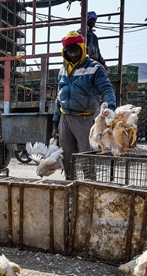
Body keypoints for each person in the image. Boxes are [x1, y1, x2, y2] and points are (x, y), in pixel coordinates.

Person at [52, 30, 116, 180]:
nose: (73, 52)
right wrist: (56, 122)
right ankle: (69, 187)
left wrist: (110, 107)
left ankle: (89, 189)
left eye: (76, 48)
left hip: (85, 119)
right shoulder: (62, 70)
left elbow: (107, 88)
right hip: (65, 119)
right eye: (69, 49)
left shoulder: (94, 68)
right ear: (64, 51)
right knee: (67, 157)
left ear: (82, 48)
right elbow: (58, 97)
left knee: (86, 158)